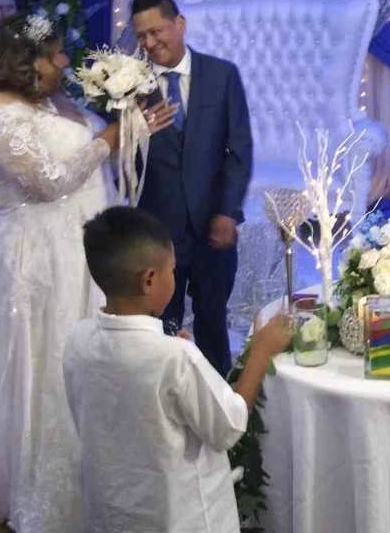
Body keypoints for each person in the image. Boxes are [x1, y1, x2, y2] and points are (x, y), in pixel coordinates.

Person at [0, 14, 175, 531]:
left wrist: (131, 129)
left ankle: (92, 473)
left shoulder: (48, 102)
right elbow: (49, 180)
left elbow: (86, 161)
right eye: (55, 54)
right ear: (27, 59)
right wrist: (111, 137)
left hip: (73, 252)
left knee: (79, 355)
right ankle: (31, 485)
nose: (64, 62)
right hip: (31, 255)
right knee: (38, 359)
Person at [64, 205, 291, 533]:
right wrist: (260, 351)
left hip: (114, 511)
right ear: (150, 279)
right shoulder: (175, 357)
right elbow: (227, 427)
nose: (175, 276)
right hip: (182, 517)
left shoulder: (77, 338)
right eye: (171, 270)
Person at [131, 0, 253, 376]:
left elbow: (239, 151)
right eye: (141, 36)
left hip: (212, 227)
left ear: (179, 24)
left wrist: (227, 212)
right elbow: (123, 160)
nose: (150, 43)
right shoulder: (127, 85)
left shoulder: (221, 75)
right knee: (159, 328)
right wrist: (131, 129)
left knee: (213, 320)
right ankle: (166, 399)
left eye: (156, 31)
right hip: (157, 231)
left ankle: (220, 399)